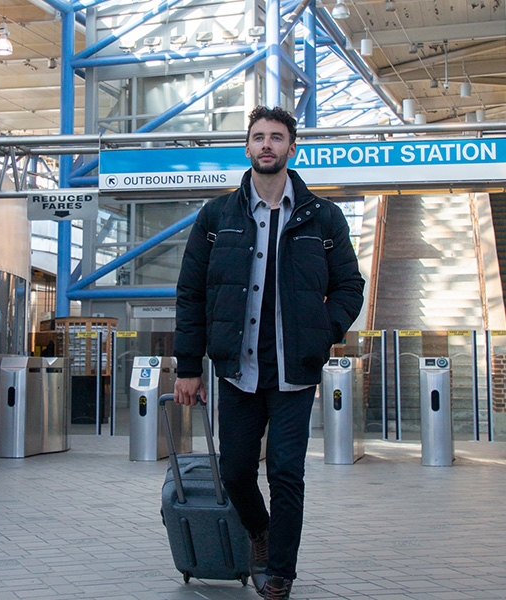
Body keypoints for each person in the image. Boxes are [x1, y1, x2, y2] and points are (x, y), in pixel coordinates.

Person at [173, 105, 364, 599]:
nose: (266, 145)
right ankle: (259, 531)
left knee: (285, 472)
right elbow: (191, 293)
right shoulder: (217, 216)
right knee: (236, 470)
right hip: (237, 370)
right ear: (247, 147)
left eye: (276, 137)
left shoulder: (323, 216)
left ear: (291, 148)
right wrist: (188, 367)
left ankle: (279, 569)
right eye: (258, 137)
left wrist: (323, 331)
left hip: (294, 370)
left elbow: (350, 285)